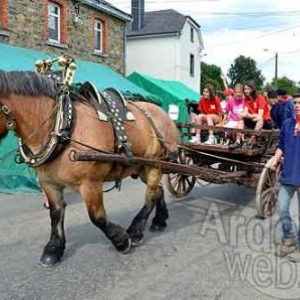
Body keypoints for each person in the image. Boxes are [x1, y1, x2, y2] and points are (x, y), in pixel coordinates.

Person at [271, 92, 300, 261]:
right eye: (295, 102)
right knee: (282, 208)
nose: (297, 105)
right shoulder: (287, 124)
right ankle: (288, 238)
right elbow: (281, 146)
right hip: (288, 174)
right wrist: (274, 160)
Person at [240, 80, 272, 147]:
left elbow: (260, 116)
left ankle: (252, 140)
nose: (246, 91)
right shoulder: (246, 99)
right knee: (241, 118)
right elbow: (245, 112)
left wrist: (249, 115)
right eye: (245, 89)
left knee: (259, 119)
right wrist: (245, 115)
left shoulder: (260, 98)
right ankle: (238, 140)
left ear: (253, 89)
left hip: (266, 121)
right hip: (254, 120)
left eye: (248, 89)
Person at [221, 84, 245, 149]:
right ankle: (229, 140)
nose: (238, 94)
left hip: (242, 121)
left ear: (242, 93)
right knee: (227, 127)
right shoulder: (231, 101)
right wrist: (223, 122)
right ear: (234, 93)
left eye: (240, 92)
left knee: (239, 124)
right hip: (232, 120)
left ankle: (238, 141)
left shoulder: (245, 100)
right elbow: (226, 112)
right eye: (236, 92)